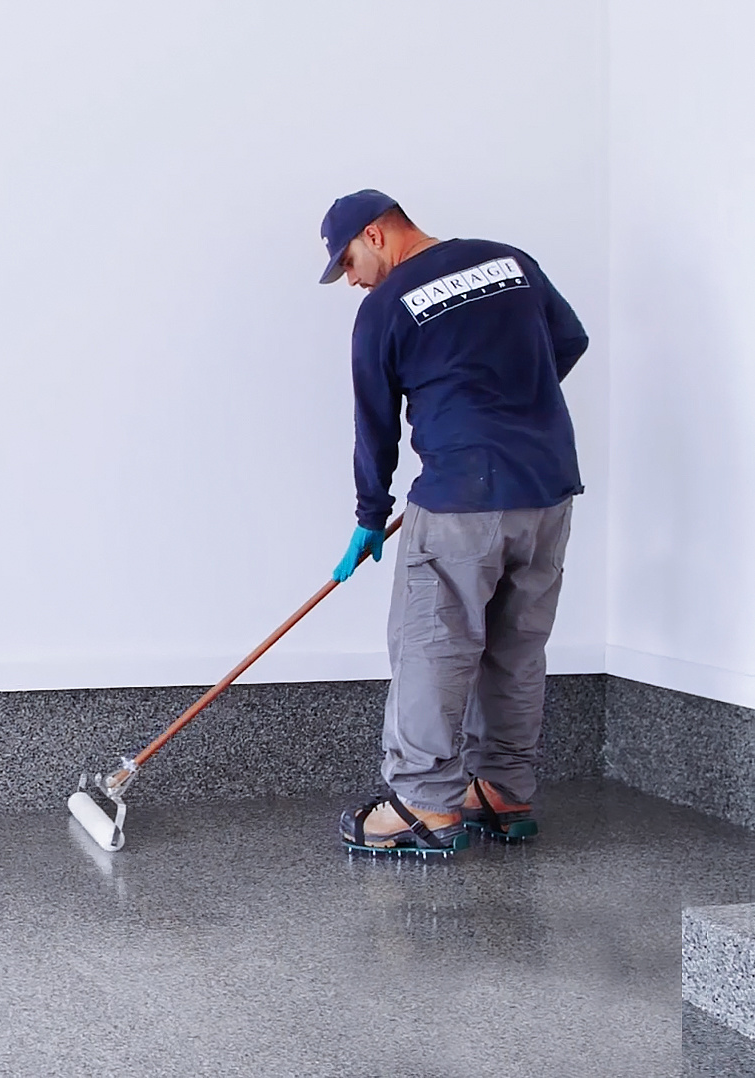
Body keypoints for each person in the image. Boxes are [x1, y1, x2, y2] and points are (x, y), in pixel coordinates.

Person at [317, 189, 586, 856]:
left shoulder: (383, 308)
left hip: (462, 497)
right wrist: (506, 409)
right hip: (547, 489)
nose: (349, 278)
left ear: (376, 233)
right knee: (516, 648)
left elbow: (373, 426)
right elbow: (568, 340)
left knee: (431, 648)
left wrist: (368, 516)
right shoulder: (508, 261)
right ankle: (502, 791)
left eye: (346, 261)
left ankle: (422, 806)